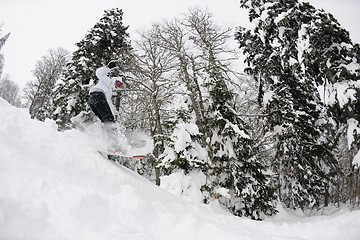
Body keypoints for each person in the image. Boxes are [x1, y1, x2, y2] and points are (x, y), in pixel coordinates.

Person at [88, 60, 124, 151]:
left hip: (93, 100)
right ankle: (114, 145)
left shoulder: (108, 93)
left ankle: (106, 144)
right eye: (118, 84)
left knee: (105, 121)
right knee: (109, 121)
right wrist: (108, 68)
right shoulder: (107, 80)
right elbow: (99, 73)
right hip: (97, 95)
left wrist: (115, 113)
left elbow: (109, 104)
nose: (118, 87)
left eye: (120, 85)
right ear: (115, 81)